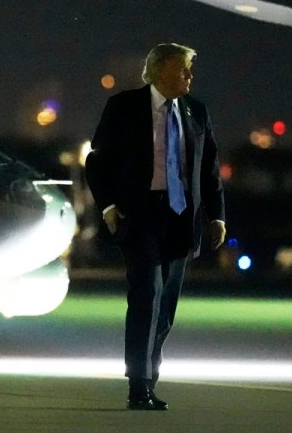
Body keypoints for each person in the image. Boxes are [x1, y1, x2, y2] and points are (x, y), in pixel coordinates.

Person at [85, 43, 226, 411]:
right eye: (184, 71)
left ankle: (150, 376)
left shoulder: (197, 111)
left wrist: (217, 216)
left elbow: (209, 169)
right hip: (140, 215)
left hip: (181, 217)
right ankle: (139, 385)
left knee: (165, 307)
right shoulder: (124, 106)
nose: (190, 78)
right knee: (147, 294)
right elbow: (97, 162)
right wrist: (109, 207)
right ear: (161, 70)